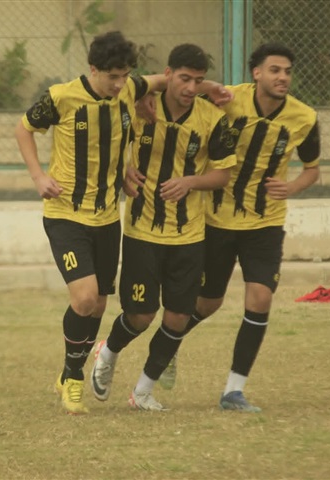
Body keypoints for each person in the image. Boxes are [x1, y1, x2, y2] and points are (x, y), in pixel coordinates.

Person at [15, 31, 174, 415]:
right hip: (65, 214)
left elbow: (165, 79)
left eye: (125, 76)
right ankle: (73, 377)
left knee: (99, 304)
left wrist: (207, 88)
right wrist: (38, 176)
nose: (120, 84)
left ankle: (68, 372)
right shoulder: (62, 97)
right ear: (93, 69)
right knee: (85, 298)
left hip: (106, 218)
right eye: (112, 77)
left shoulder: (128, 89)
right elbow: (23, 129)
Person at [157, 42, 322, 413]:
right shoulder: (229, 100)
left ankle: (234, 391)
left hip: (265, 223)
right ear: (256, 73)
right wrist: (210, 85)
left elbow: (312, 169)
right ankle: (168, 344)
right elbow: (183, 88)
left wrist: (292, 187)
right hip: (217, 219)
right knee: (208, 302)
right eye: (275, 70)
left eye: (288, 71)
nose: (283, 77)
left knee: (260, 298)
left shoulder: (304, 117)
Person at [89, 43, 237, 412]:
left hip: (189, 233)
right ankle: (108, 351)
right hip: (142, 229)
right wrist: (124, 168)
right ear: (168, 74)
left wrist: (190, 182)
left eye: (198, 81)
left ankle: (142, 392)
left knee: (178, 317)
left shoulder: (212, 119)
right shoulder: (141, 108)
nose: (190, 88)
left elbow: (223, 174)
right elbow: (111, 138)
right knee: (141, 316)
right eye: (184, 78)